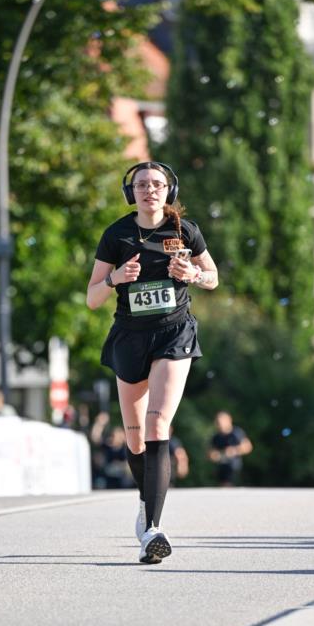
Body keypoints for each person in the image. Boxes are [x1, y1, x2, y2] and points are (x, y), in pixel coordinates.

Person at [86, 161, 218, 563]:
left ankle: (154, 529)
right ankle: (146, 507)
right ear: (132, 193)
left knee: (158, 421)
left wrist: (194, 273)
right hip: (130, 336)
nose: (150, 191)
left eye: (157, 185)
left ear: (169, 190)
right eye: (142, 185)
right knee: (133, 435)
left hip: (174, 332)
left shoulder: (185, 231)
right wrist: (115, 280)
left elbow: (213, 276)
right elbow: (91, 297)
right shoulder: (117, 234)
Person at [209, 411, 253, 487]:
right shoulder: (216, 437)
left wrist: (234, 450)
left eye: (221, 422)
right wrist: (215, 455)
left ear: (229, 420)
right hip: (221, 467)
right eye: (218, 422)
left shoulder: (237, 433)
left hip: (234, 467)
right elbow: (210, 453)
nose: (220, 424)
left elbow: (248, 447)